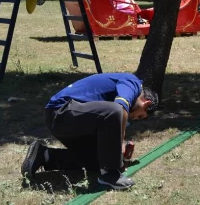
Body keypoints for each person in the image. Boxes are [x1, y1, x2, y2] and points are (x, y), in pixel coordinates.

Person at [21, 73, 159, 190]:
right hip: (60, 112)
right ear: (146, 103)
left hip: (67, 118)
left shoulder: (125, 93)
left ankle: (44, 156)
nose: (135, 117)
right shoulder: (133, 83)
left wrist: (114, 153)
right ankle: (110, 175)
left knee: (99, 160)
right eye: (140, 115)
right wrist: (119, 147)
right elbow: (119, 108)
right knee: (115, 111)